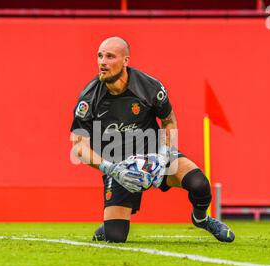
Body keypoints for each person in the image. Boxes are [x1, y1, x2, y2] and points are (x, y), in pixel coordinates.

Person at [70, 36, 235, 243]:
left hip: (155, 154)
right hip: (118, 165)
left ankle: (201, 219)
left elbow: (168, 120)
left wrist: (163, 155)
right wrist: (111, 169)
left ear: (125, 61)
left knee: (200, 184)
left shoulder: (149, 87)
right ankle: (109, 225)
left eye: (110, 56)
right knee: (115, 237)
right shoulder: (88, 98)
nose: (102, 61)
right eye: (100, 56)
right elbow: (79, 146)